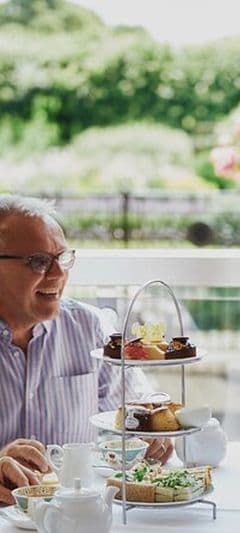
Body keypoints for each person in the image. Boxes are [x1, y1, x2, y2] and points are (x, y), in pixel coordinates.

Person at [0, 195, 171, 504]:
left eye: (62, 259)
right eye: (38, 261)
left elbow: (140, 404)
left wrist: (154, 432)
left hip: (76, 514)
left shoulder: (89, 327)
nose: (58, 274)